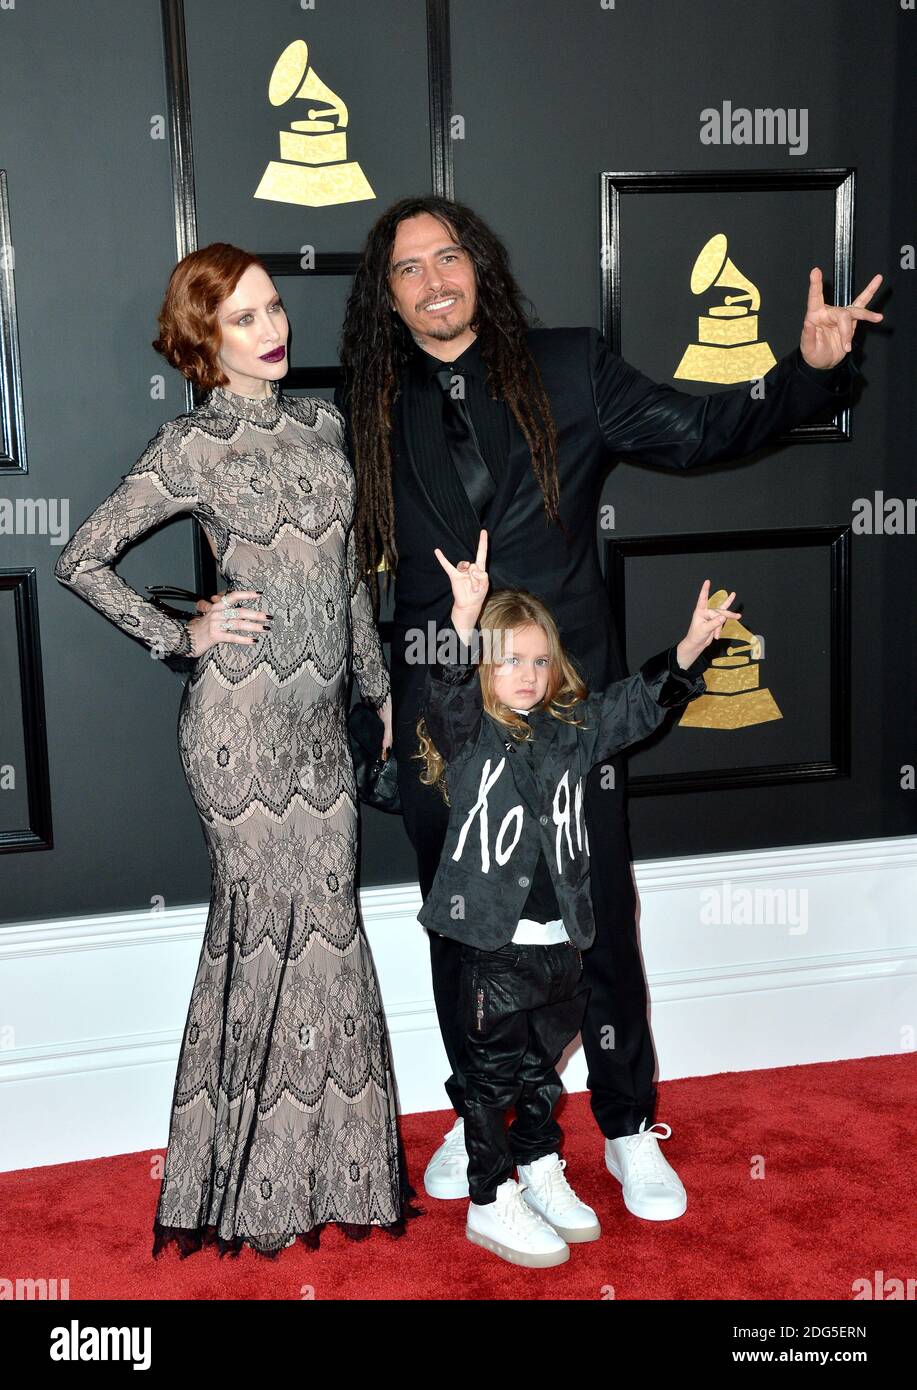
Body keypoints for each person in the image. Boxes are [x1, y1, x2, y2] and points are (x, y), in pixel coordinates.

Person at [336, 194, 883, 1216]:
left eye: (448, 256)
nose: (433, 280)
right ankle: (484, 1111)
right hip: (438, 712)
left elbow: (702, 430)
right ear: (387, 296)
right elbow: (344, 568)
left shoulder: (569, 365)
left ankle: (627, 1124)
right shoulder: (367, 406)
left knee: (593, 925)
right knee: (465, 927)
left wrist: (805, 371)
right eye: (407, 268)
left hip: (564, 699)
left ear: (478, 267)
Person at [54, 242, 418, 1259]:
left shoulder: (324, 424)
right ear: (203, 340)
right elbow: (81, 557)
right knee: (262, 932)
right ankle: (246, 1184)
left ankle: (332, 1167)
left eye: (273, 309)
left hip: (318, 728)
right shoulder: (190, 448)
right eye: (246, 318)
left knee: (331, 931)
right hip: (239, 727)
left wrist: (378, 688)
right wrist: (184, 634)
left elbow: (347, 575)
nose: (274, 329)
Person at [415, 529, 735, 1266]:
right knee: (490, 1076)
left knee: (537, 1074)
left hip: (563, 946)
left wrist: (688, 650)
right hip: (491, 946)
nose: (525, 675)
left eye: (536, 660)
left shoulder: (571, 729)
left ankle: (539, 1167)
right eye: (507, 662)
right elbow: (448, 693)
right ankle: (490, 1197)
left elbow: (634, 706)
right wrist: (463, 623)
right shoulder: (468, 740)